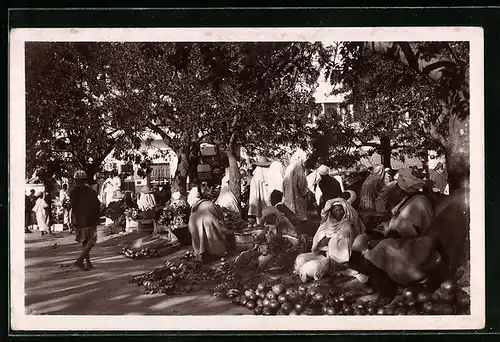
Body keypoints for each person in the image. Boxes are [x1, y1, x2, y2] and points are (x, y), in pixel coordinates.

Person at [349, 168, 435, 297]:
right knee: (360, 239)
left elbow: (407, 230)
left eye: (397, 186)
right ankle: (369, 281)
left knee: (385, 245)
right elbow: (395, 222)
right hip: (400, 237)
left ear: (402, 189)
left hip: (418, 244)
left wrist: (385, 233)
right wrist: (378, 230)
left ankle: (386, 289)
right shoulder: (406, 199)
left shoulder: (419, 202)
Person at [70, 170, 101, 271]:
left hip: (78, 220)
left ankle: (88, 262)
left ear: (75, 180)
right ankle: (80, 260)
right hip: (89, 219)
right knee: (91, 241)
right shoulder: (91, 191)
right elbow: (97, 205)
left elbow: (72, 206)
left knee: (84, 241)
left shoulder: (73, 192)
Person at [188, 194, 228, 262]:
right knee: (211, 235)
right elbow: (220, 228)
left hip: (192, 219)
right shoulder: (210, 210)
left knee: (200, 236)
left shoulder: (198, 206)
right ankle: (213, 252)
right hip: (205, 219)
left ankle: (200, 253)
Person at [283, 150, 309, 224]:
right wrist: (305, 191)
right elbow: (301, 181)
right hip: (297, 193)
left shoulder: (289, 166)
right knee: (300, 212)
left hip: (289, 193)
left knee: (291, 210)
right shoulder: (298, 165)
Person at [248, 156, 273, 223]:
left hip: (260, 197)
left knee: (259, 206)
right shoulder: (268, 173)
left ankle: (260, 222)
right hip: (266, 197)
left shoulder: (255, 175)